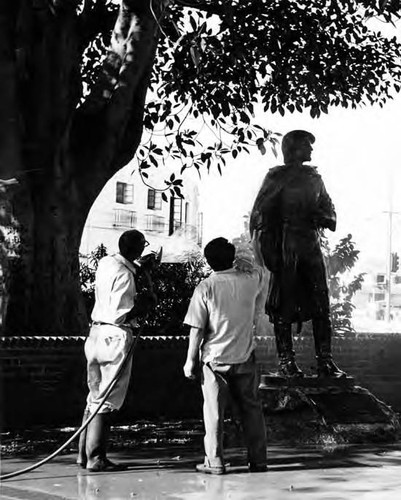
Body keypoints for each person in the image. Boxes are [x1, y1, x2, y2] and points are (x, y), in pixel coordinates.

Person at [250, 129, 346, 379]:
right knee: (284, 304)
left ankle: (325, 360)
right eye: (306, 145)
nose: (311, 150)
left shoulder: (315, 178)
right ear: (292, 148)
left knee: (321, 302)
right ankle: (286, 361)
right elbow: (260, 214)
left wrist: (323, 217)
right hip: (286, 245)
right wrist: (268, 251)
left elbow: (330, 209)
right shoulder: (276, 177)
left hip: (311, 245)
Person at [183, 237, 268, 475]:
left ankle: (216, 461)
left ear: (208, 261)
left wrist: (190, 361)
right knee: (252, 410)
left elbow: (197, 329)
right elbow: (262, 269)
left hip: (214, 360)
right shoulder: (251, 280)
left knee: (214, 413)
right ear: (232, 258)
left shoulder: (205, 287)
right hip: (244, 357)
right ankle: (258, 460)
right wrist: (245, 260)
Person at [77, 230, 157, 472]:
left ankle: (83, 455)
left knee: (94, 396)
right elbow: (121, 312)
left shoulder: (106, 263)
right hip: (115, 335)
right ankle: (96, 458)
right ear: (139, 249)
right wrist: (145, 304)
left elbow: (123, 266)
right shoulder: (125, 276)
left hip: (96, 334)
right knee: (107, 400)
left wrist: (142, 269)